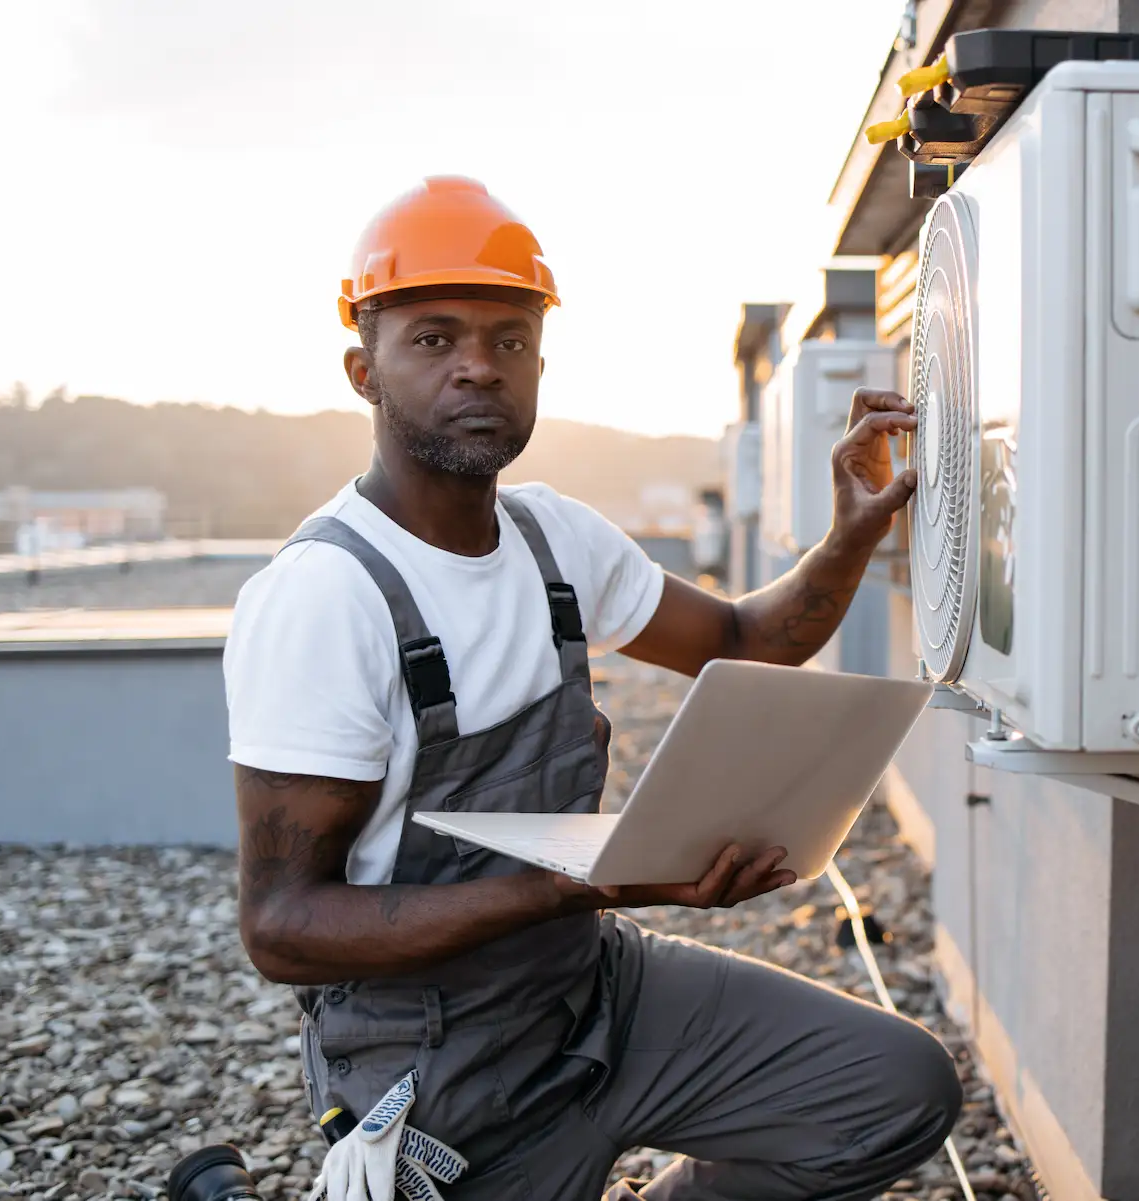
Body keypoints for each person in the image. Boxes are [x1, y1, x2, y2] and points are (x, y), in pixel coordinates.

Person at [221, 176, 962, 1200]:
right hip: (441, 1060)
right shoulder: (325, 599)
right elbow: (283, 927)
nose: (480, 367)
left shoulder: (552, 539)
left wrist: (851, 535)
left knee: (893, 1088)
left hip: (592, 987)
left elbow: (748, 638)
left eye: (510, 340)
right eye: (434, 340)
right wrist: (579, 883)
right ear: (364, 369)